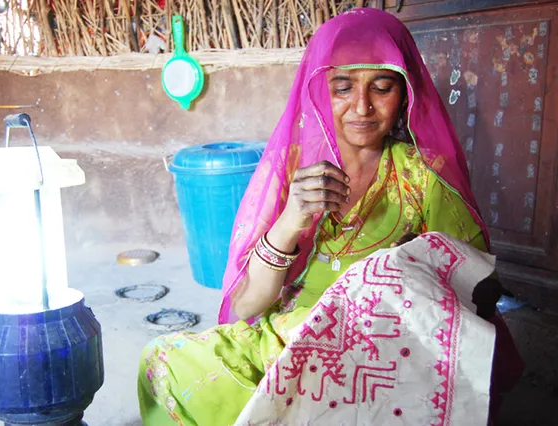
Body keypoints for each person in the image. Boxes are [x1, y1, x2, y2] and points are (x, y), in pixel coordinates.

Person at [138, 9, 523, 426]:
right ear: (321, 89)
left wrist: (397, 280)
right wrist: (291, 218)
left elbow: (479, 293)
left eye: (382, 87)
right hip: (286, 340)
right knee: (162, 364)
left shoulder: (423, 174)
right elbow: (247, 303)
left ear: (405, 94)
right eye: (342, 87)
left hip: (382, 351)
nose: (362, 107)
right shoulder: (289, 168)